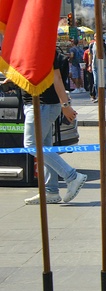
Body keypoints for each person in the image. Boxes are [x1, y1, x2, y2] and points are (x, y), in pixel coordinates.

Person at [20, 51, 87, 205]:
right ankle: (51, 190)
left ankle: (72, 176)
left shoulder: (44, 47)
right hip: (39, 104)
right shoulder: (36, 45)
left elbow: (56, 77)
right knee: (45, 147)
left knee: (32, 145)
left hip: (42, 104)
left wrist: (65, 105)